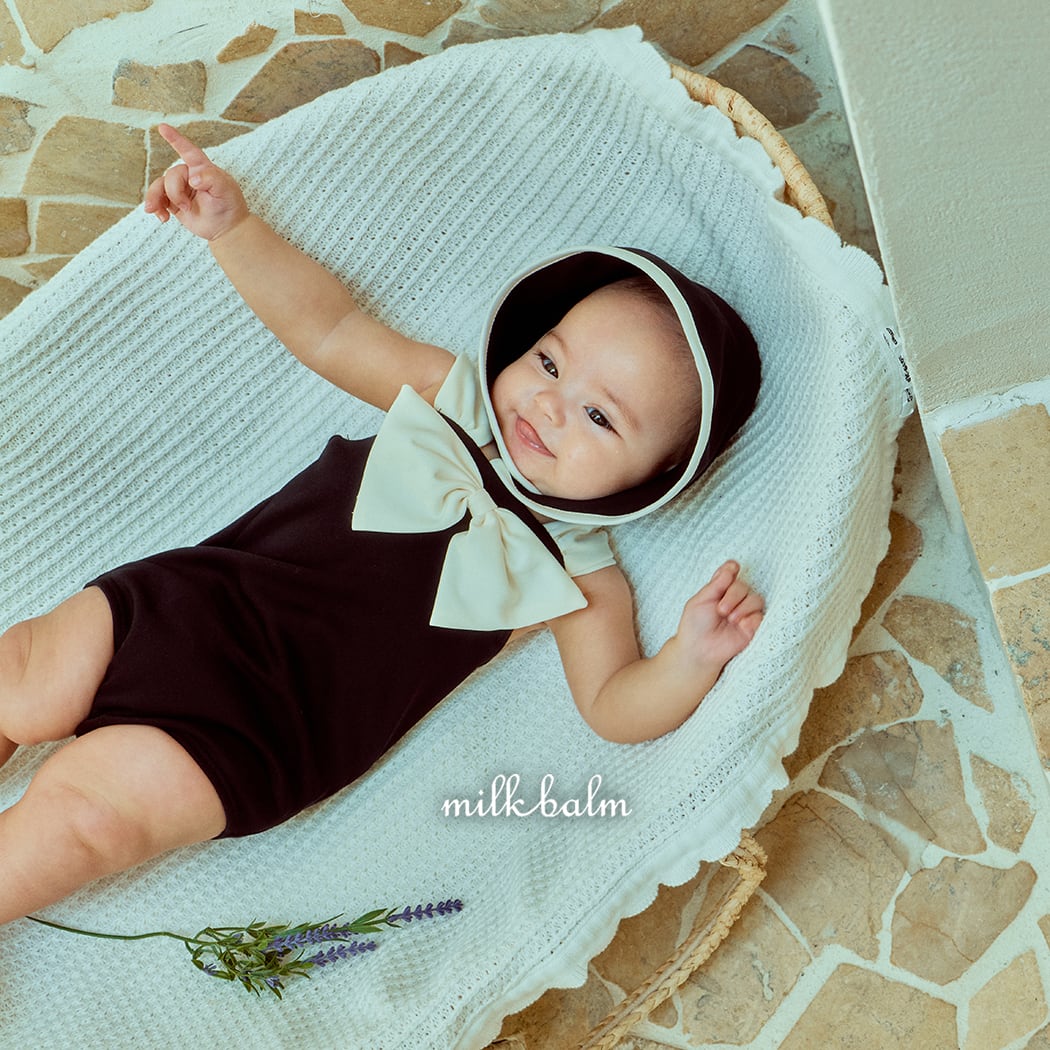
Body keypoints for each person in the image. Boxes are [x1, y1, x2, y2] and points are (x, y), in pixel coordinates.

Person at [0, 125, 764, 925]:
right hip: (189, 606)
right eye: (548, 362)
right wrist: (234, 231)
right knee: (21, 675)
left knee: (86, 821)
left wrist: (689, 659)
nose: (548, 404)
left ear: (654, 479)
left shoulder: (579, 572)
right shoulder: (447, 395)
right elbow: (326, 329)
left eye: (599, 416)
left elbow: (611, 703)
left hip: (265, 731)